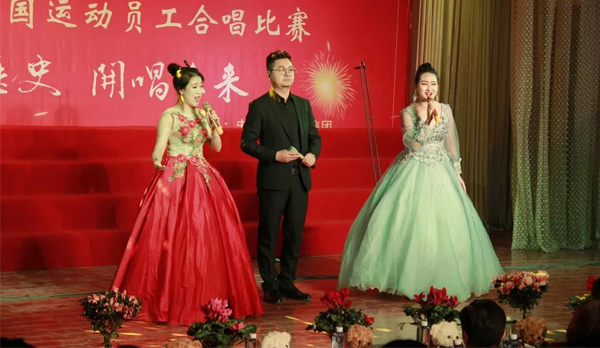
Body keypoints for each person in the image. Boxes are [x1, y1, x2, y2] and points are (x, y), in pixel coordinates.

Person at [111, 62, 263, 325]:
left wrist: (212, 125)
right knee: (173, 234)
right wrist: (157, 159)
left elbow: (216, 147)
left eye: (202, 86)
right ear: (181, 90)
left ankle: (210, 295)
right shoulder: (169, 116)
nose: (200, 91)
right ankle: (166, 297)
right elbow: (159, 147)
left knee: (208, 235)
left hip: (203, 176)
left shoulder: (203, 114)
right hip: (176, 176)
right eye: (195, 87)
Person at [337, 62, 503, 301]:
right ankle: (407, 279)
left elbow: (451, 143)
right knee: (410, 224)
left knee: (447, 227)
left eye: (433, 84)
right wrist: (427, 124)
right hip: (413, 168)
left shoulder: (445, 110)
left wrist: (457, 172)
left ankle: (443, 279)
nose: (429, 88)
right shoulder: (408, 112)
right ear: (416, 86)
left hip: (442, 170)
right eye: (424, 83)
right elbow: (412, 144)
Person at [241, 50, 322, 304]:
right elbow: (247, 143)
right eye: (281, 69)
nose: (287, 73)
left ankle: (288, 281)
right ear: (269, 74)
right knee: (268, 234)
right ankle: (269, 284)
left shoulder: (303, 105)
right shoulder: (259, 106)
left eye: (290, 69)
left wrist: (312, 154)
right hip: (273, 181)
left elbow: (314, 137)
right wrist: (273, 155)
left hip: (300, 180)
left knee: (294, 233)